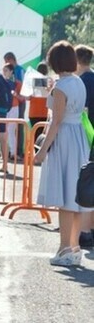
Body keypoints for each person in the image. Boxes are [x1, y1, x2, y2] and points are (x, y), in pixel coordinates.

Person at [35, 41, 93, 267]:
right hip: (78, 137)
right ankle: (74, 247)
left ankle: (64, 248)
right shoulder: (78, 81)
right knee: (77, 195)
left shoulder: (61, 86)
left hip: (65, 139)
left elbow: (56, 121)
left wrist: (42, 150)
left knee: (66, 196)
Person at [75, 45, 94, 249]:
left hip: (88, 136)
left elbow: (84, 112)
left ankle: (86, 231)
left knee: (86, 183)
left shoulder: (82, 82)